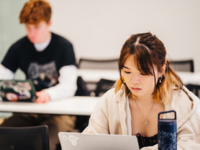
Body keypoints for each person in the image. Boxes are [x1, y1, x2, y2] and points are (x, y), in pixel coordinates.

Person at [83, 32, 200, 149]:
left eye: (143, 73)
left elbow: (191, 146)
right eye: (127, 72)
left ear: (161, 70)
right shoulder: (109, 102)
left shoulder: (185, 104)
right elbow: (91, 142)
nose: (134, 80)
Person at [0, 0, 77, 149]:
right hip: (30, 110)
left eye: (36, 27)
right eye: (28, 27)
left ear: (48, 23)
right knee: (3, 137)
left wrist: (47, 95)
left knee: (42, 143)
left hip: (60, 112)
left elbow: (69, 85)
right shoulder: (19, 47)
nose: (31, 32)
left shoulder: (64, 46)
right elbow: (2, 78)